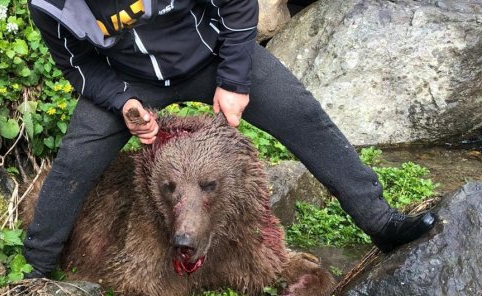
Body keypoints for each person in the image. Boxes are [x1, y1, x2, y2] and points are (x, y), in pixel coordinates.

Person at [23, 0, 436, 278]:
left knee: (302, 116)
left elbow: (237, 4)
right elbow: (76, 63)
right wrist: (123, 102)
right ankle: (33, 268)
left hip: (214, 54)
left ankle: (380, 222)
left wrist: (235, 78)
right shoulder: (48, 5)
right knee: (73, 166)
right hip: (130, 81)